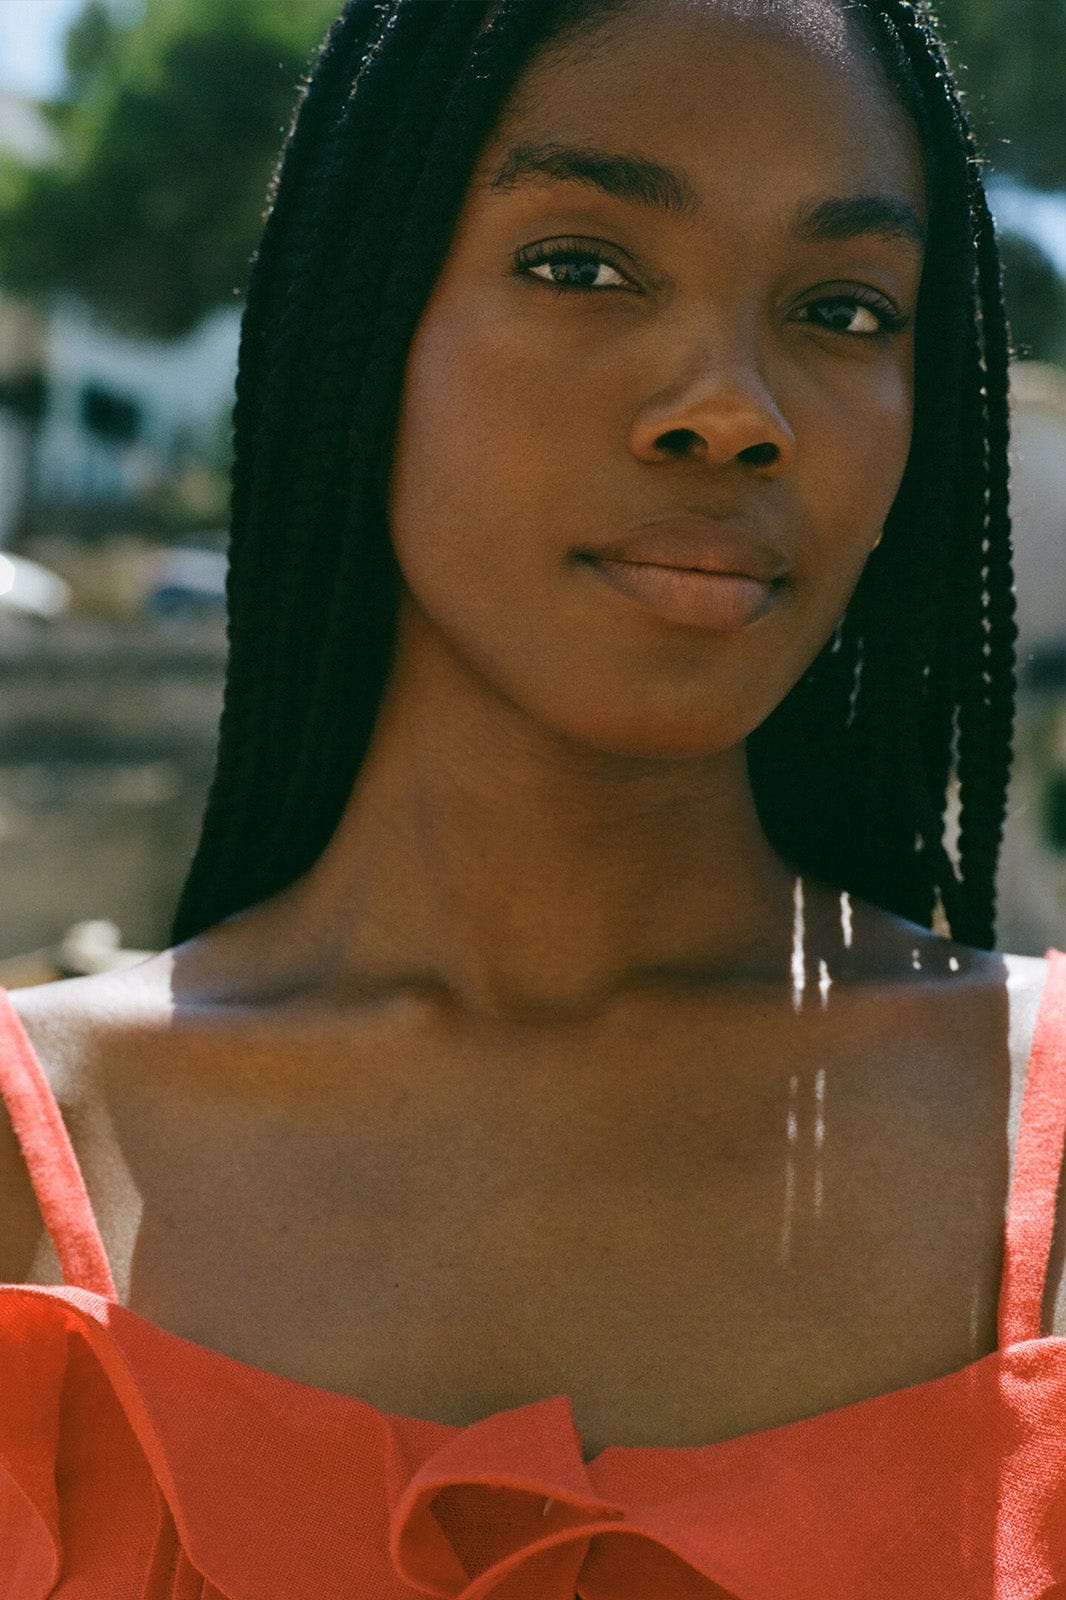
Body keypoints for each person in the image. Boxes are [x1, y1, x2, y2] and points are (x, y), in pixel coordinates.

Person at [0, 0, 1062, 1593]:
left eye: (843, 309)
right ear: (363, 323)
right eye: (580, 266)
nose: (731, 408)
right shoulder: (29, 1161)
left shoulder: (1041, 1155)